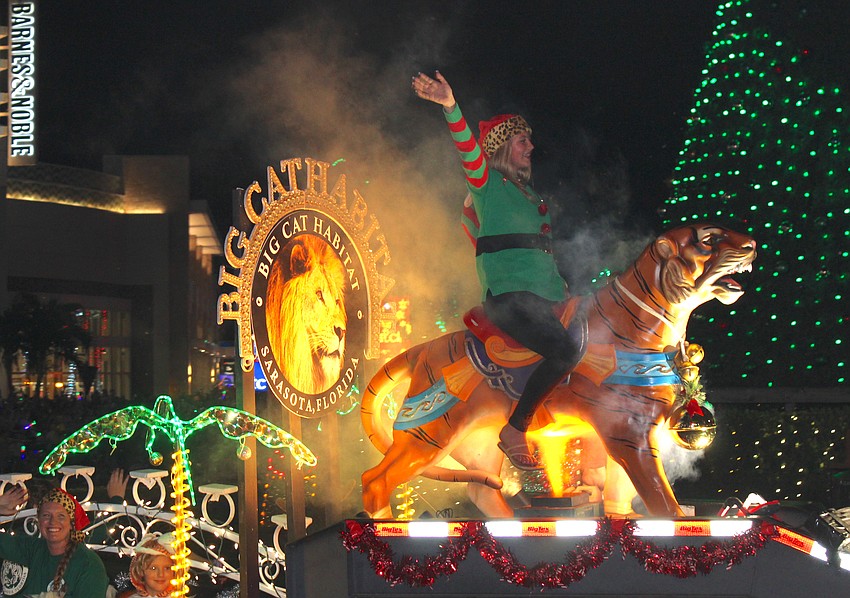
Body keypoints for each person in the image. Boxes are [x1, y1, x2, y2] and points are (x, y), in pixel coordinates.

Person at [412, 70, 587, 471]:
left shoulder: (530, 196)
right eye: (522, 141)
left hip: (546, 299)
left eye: (529, 140)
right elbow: (467, 149)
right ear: (503, 147)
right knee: (565, 351)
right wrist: (450, 105)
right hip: (510, 301)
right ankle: (515, 429)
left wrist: (563, 290)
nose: (531, 147)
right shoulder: (486, 183)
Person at [0, 484, 109, 597]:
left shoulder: (88, 564)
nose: (53, 522)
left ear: (71, 523)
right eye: (46, 515)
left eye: (61, 516)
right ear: (39, 520)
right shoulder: (30, 548)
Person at [119, 533, 176, 598]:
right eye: (153, 568)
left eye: (167, 568)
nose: (161, 574)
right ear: (141, 570)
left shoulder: (179, 595)